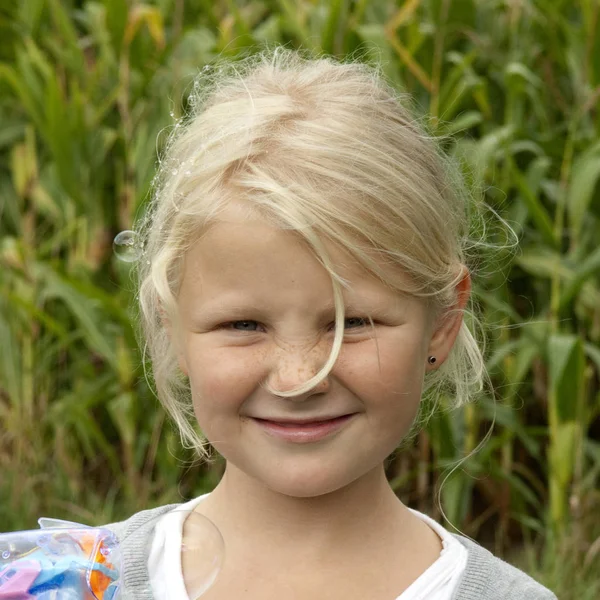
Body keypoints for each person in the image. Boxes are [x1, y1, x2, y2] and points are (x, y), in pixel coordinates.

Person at [107, 47, 557, 599]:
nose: (299, 378)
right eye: (245, 325)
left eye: (353, 321)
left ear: (442, 321)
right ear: (171, 326)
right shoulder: (62, 582)